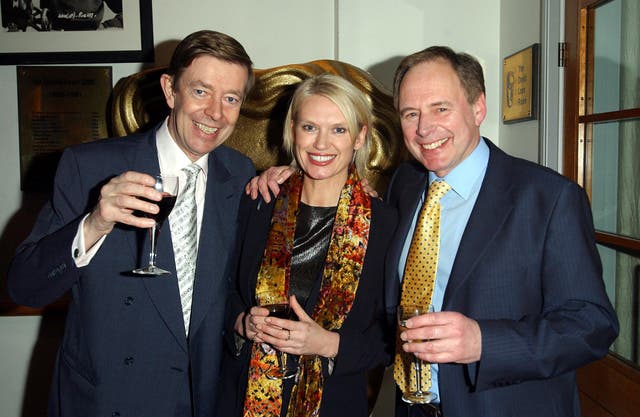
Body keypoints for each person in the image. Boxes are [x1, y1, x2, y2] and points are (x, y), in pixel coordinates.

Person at [248, 46, 619, 417]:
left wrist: (483, 342)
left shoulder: (548, 198)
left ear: (477, 108)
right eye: (411, 113)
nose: (425, 129)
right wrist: (287, 175)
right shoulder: (406, 185)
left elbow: (591, 325)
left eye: (441, 108)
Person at [7, 30, 255, 417]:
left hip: (200, 402)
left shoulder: (239, 175)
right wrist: (94, 223)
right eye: (201, 92)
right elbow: (25, 287)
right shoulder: (89, 167)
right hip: (110, 400)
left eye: (231, 99)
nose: (216, 114)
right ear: (171, 91)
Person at [218, 73, 397, 417]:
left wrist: (329, 344)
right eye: (310, 127)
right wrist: (242, 323)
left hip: (334, 404)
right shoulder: (258, 202)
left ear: (360, 137)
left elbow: (393, 337)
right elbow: (219, 292)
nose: (321, 144)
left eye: (339, 130)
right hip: (241, 399)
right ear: (292, 130)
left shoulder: (386, 224)